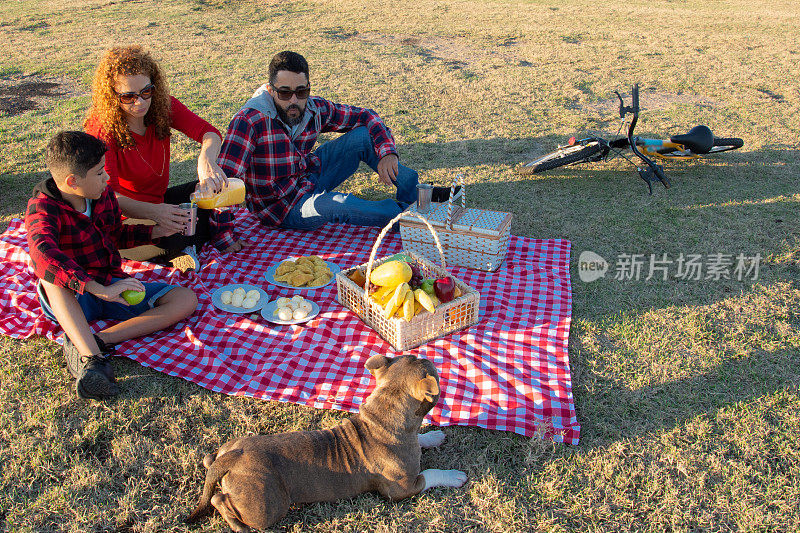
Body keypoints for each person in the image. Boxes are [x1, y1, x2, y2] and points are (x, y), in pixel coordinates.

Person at [25, 131, 198, 400]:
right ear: (72, 181)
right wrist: (95, 288)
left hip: (112, 284)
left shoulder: (102, 195)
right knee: (49, 277)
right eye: (99, 172)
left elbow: (115, 235)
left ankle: (97, 341)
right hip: (76, 295)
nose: (106, 177)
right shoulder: (42, 209)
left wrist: (155, 232)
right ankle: (93, 360)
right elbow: (43, 254)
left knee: (185, 298)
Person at [218, 50, 457, 231]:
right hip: (283, 209)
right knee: (339, 204)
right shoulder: (249, 121)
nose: (293, 100)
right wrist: (225, 236)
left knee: (363, 135)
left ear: (308, 88)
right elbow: (224, 184)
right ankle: (416, 219)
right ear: (271, 91)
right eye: (284, 93)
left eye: (301, 91)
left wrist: (387, 153)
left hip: (308, 177)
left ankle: (418, 195)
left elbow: (366, 116)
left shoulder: (313, 108)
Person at [84, 45, 246, 271]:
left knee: (219, 186)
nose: (139, 102)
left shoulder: (162, 106)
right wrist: (157, 213)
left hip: (159, 203)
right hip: (123, 220)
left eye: (146, 92)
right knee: (180, 229)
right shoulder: (103, 129)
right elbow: (107, 197)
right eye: (128, 96)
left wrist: (206, 161)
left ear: (154, 87)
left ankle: (182, 241)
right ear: (112, 97)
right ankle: (181, 245)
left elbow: (210, 134)